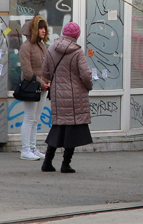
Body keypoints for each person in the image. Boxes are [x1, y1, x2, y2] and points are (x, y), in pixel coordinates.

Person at [40, 22, 94, 173]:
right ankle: (65, 164)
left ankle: (47, 162)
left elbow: (45, 72)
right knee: (72, 129)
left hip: (58, 94)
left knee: (58, 127)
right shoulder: (77, 52)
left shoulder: (51, 48)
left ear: (63, 32)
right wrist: (88, 86)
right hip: (75, 95)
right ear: (77, 35)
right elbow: (85, 74)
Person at [17, 14, 51, 160]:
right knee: (29, 118)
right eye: (40, 28)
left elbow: (46, 67)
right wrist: (43, 83)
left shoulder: (42, 45)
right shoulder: (26, 46)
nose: (43, 30)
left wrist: (47, 82)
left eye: (44, 28)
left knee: (36, 119)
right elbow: (27, 71)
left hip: (42, 87)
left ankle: (32, 147)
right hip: (31, 87)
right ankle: (25, 150)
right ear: (34, 30)